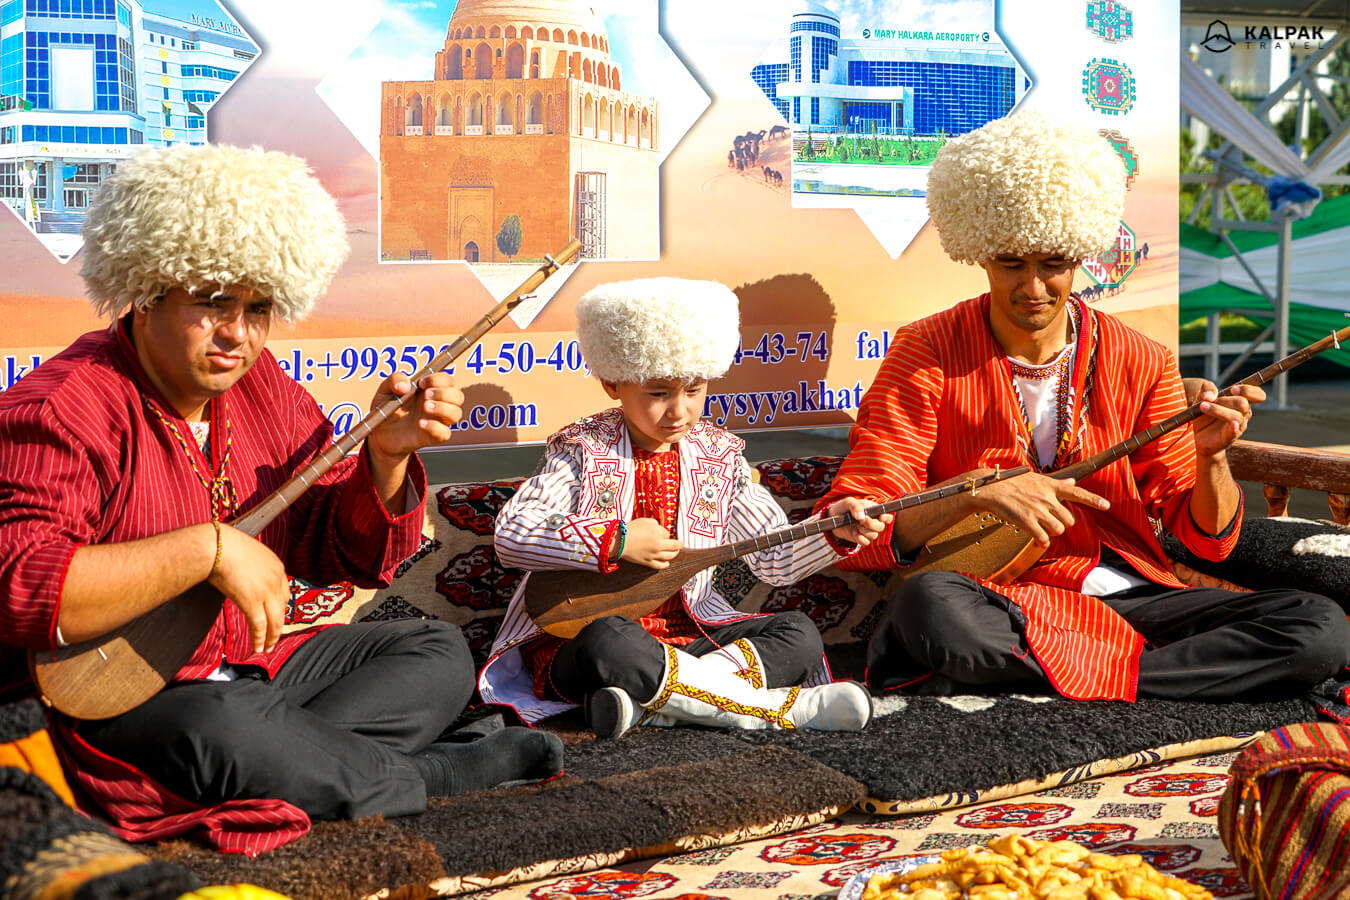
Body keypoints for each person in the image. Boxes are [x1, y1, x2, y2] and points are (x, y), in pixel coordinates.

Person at [0, 144, 561, 851]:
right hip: (119, 704)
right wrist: (205, 548)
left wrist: (385, 458)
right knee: (219, 728)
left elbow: (340, 551)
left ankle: (310, 767)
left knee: (435, 649)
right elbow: (20, 588)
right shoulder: (61, 409)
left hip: (252, 676)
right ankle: (432, 774)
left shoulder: (261, 385)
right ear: (145, 291)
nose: (237, 334)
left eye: (258, 308)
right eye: (213, 303)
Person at [817, 110, 1350, 703]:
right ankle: (1153, 679)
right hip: (998, 603)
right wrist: (977, 491)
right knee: (926, 606)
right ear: (980, 253)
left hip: (1135, 601)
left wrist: (1213, 459)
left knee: (1319, 625)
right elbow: (865, 528)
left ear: (1080, 254)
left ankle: (1085, 680)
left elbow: (1208, 543)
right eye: (1012, 263)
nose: (1033, 287)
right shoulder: (926, 350)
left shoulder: (1142, 358)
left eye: (1054, 264)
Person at [481, 277, 887, 736]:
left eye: (693, 390)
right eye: (659, 393)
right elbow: (511, 535)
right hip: (582, 641)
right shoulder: (581, 450)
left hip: (693, 636)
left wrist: (832, 530)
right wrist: (616, 541)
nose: (679, 411)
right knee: (608, 640)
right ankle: (781, 711)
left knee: (799, 634)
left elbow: (775, 559)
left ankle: (653, 705)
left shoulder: (720, 456)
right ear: (613, 382)